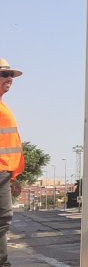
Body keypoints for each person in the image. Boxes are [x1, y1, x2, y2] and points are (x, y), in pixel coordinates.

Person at [0, 60, 22, 267]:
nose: (10, 79)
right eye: (5, 74)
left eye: (11, 76)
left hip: (5, 171)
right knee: (2, 220)